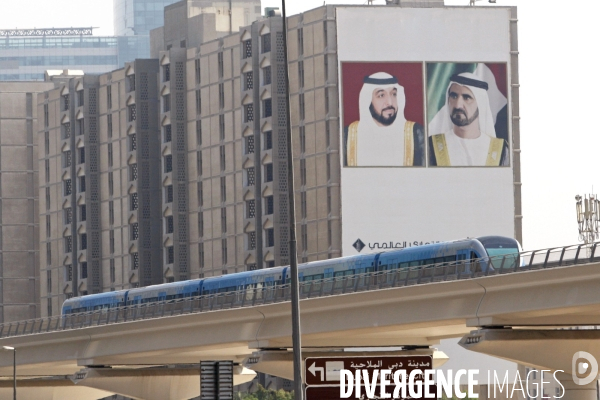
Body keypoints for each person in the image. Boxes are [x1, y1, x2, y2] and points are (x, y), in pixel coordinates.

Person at [343, 72, 425, 167]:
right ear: (368, 101)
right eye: (381, 95)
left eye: (393, 94)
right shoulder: (348, 136)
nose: (390, 102)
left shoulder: (416, 133)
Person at [429, 72, 508, 167]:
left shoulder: (501, 150)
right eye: (454, 96)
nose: (458, 105)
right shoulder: (431, 146)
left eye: (466, 98)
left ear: (480, 104)